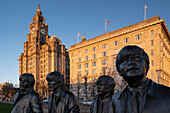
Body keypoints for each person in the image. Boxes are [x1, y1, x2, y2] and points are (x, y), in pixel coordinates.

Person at [113, 45, 170, 113]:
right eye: (125, 60)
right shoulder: (115, 99)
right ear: (119, 71)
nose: (131, 62)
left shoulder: (167, 94)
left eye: (137, 58)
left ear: (147, 65)